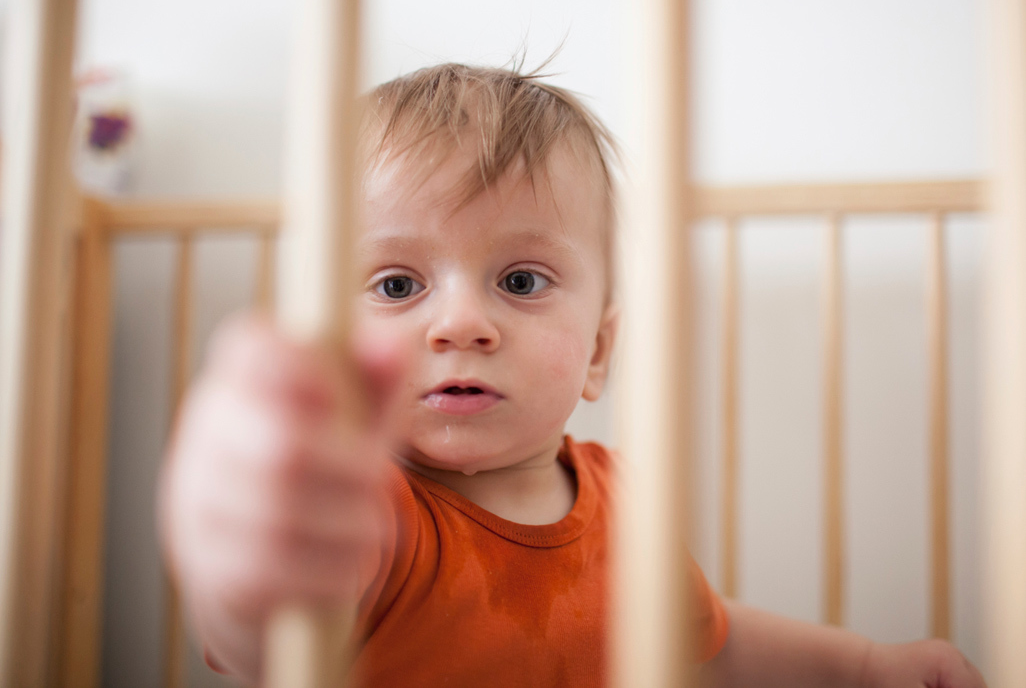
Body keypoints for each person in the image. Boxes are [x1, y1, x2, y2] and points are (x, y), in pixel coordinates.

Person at [159, 63, 986, 687]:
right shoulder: (372, 511)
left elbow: (711, 643)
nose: (460, 324)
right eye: (398, 285)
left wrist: (872, 665)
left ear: (597, 351)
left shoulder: (624, 499)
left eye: (519, 282)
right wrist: (243, 548)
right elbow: (265, 633)